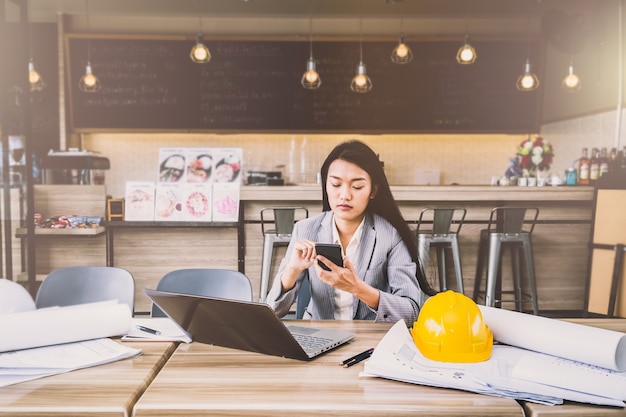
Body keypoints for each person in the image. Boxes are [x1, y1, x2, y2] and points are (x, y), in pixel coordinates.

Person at [266, 140, 436, 325]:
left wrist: (357, 288)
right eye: (336, 184)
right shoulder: (305, 229)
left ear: (373, 190)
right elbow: (273, 310)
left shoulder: (390, 235)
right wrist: (292, 269)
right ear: (326, 186)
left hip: (369, 340)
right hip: (320, 336)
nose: (345, 195)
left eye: (357, 187)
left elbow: (411, 312)